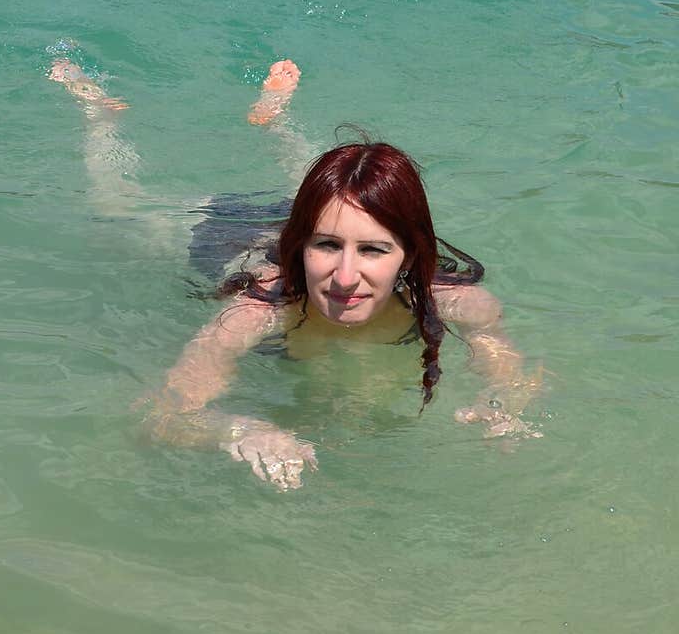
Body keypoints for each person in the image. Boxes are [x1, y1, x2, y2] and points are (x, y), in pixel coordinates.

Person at [49, 55, 541, 492]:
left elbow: (511, 374)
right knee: (113, 208)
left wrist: (503, 408)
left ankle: (274, 121)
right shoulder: (254, 313)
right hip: (220, 235)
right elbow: (161, 415)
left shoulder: (463, 305)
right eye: (327, 247)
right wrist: (240, 430)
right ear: (302, 245)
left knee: (335, 190)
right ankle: (98, 114)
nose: (345, 277)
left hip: (307, 218)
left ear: (410, 257)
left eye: (373, 251)